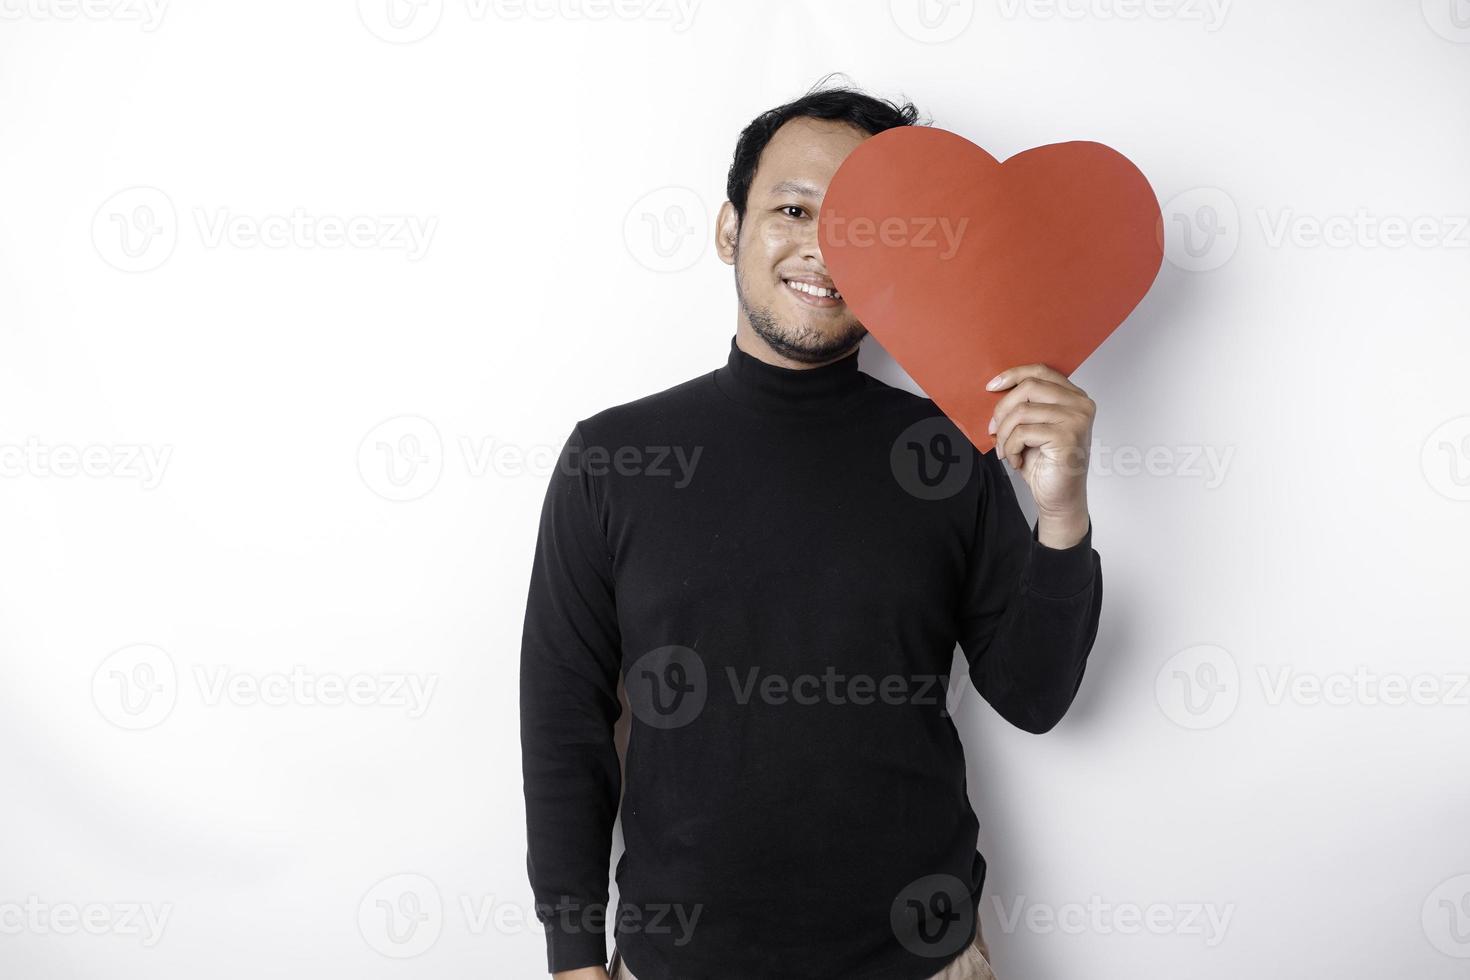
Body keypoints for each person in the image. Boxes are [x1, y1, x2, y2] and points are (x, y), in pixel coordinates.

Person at [519, 77, 1102, 980]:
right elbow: (564, 723)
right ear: (730, 230)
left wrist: (1060, 518)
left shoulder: (948, 454)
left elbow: (1034, 699)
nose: (825, 249)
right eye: (794, 208)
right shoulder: (615, 458)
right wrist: (571, 959)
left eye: (864, 227)